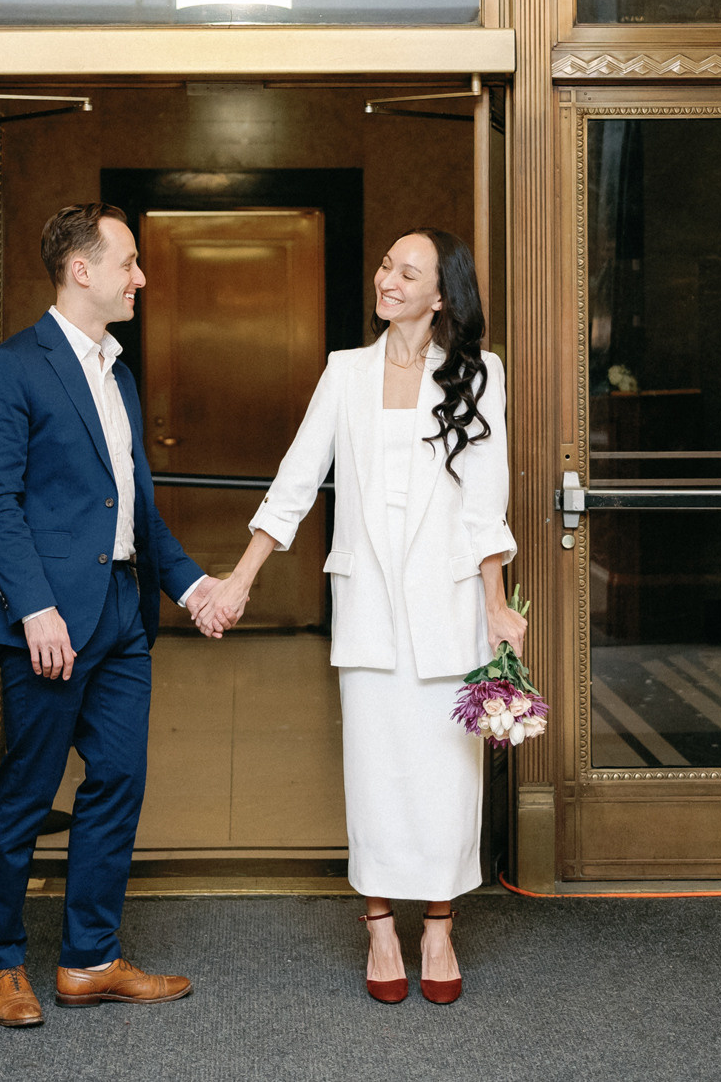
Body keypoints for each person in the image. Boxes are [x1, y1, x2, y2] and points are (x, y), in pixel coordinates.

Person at [195, 228, 522, 1006]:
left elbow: (485, 503)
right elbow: (295, 482)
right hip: (370, 609)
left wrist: (499, 606)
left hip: (449, 608)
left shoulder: (480, 374)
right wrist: (238, 581)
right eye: (384, 265)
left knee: (448, 774)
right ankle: (380, 922)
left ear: (442, 294)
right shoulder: (345, 373)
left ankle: (438, 923)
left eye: (408, 272)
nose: (388, 279)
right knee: (375, 772)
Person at [0, 202, 223, 1028]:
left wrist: (190, 587)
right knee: (27, 791)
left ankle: (89, 959)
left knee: (118, 781)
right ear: (83, 270)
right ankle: (2, 960)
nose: (140, 277)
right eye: (129, 263)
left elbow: (137, 507)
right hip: (50, 624)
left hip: (122, 614)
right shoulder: (12, 367)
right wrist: (35, 608)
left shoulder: (119, 370)